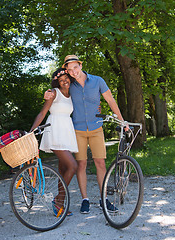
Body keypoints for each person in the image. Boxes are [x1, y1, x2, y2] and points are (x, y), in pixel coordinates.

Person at [45, 55, 127, 214]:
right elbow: (56, 90)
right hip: (77, 130)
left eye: (75, 67)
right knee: (81, 165)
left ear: (80, 65)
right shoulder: (70, 86)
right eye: (69, 70)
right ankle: (85, 199)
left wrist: (122, 121)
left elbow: (110, 100)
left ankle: (104, 199)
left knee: (100, 163)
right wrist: (47, 93)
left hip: (96, 129)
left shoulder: (98, 81)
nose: (73, 72)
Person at [30, 68, 78, 216]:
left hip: (67, 132)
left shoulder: (71, 95)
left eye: (66, 78)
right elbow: (42, 113)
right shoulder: (54, 93)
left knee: (64, 169)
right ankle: (58, 200)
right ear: (57, 82)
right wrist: (31, 131)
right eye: (61, 79)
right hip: (55, 132)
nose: (64, 81)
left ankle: (60, 204)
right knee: (73, 166)